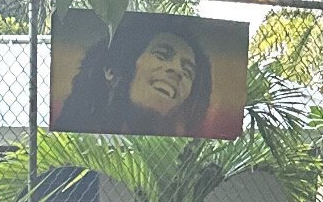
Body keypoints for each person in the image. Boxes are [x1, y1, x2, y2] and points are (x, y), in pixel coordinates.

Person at [55, 14, 212, 136]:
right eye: (161, 55)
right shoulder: (71, 135)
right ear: (112, 69)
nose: (177, 71)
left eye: (188, 71)